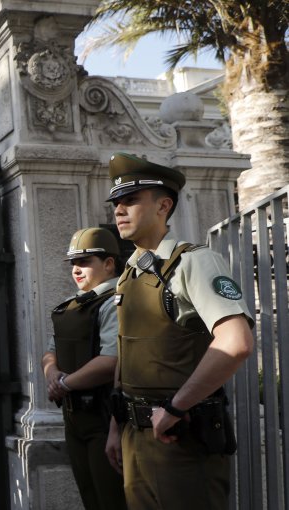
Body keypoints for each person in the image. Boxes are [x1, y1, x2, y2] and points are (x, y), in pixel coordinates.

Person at [103, 152, 254, 510]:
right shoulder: (130, 274)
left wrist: (174, 407)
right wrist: (116, 425)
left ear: (163, 205)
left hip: (180, 437)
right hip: (135, 437)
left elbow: (236, 342)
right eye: (116, 203)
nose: (119, 210)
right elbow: (127, 357)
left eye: (131, 200)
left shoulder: (193, 262)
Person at [41, 227, 126, 510]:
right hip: (75, 417)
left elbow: (111, 361)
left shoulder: (114, 301)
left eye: (85, 262)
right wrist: (52, 374)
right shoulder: (72, 306)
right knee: (92, 500)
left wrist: (64, 384)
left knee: (112, 500)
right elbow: (50, 352)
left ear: (109, 263)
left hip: (104, 417)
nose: (77, 270)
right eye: (73, 264)